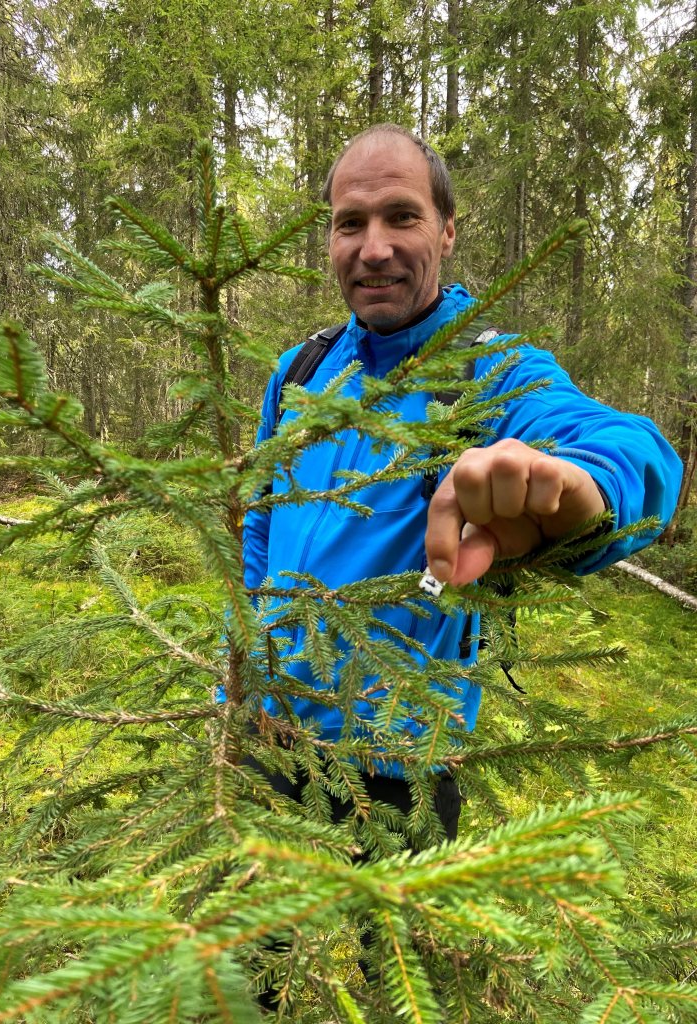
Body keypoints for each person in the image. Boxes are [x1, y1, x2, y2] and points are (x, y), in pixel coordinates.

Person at [243, 123, 682, 845]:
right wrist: (242, 684)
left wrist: (582, 482)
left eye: (402, 216)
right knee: (248, 951)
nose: (373, 247)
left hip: (400, 757)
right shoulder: (299, 372)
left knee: (402, 957)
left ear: (446, 231)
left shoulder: (493, 370)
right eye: (349, 223)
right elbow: (259, 534)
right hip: (272, 732)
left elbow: (635, 448)